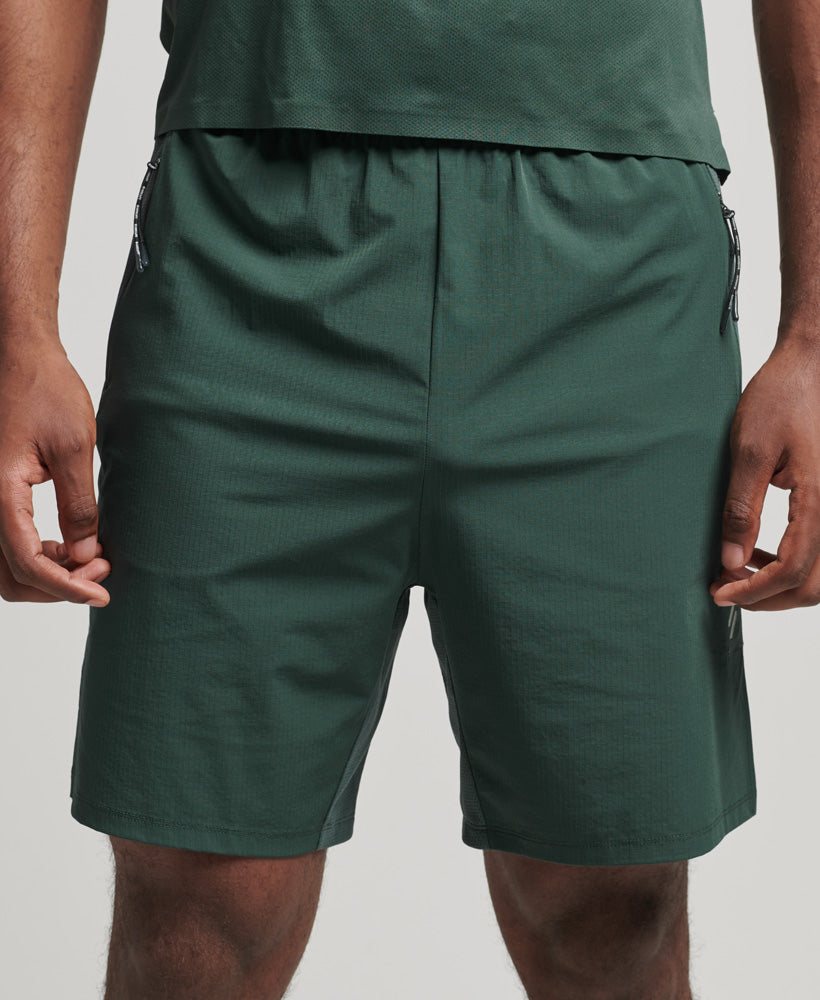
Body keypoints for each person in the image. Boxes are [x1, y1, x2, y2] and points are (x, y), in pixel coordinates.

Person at [1, 0, 818, 997]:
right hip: (244, 236)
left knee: (615, 904)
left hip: (616, 253)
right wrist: (16, 331)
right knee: (197, 905)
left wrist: (815, 335)